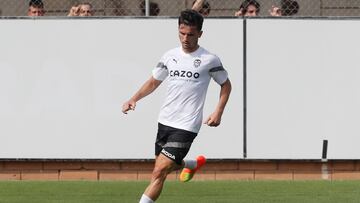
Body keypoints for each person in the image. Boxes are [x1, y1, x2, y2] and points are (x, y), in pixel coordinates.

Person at [122, 9, 231, 203]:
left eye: (190, 34)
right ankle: (190, 164)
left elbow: (226, 84)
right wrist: (134, 98)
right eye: (182, 33)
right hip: (165, 120)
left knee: (158, 171)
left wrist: (218, 112)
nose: (185, 38)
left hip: (187, 125)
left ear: (200, 34)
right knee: (163, 168)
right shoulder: (169, 56)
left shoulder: (209, 60)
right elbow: (154, 81)